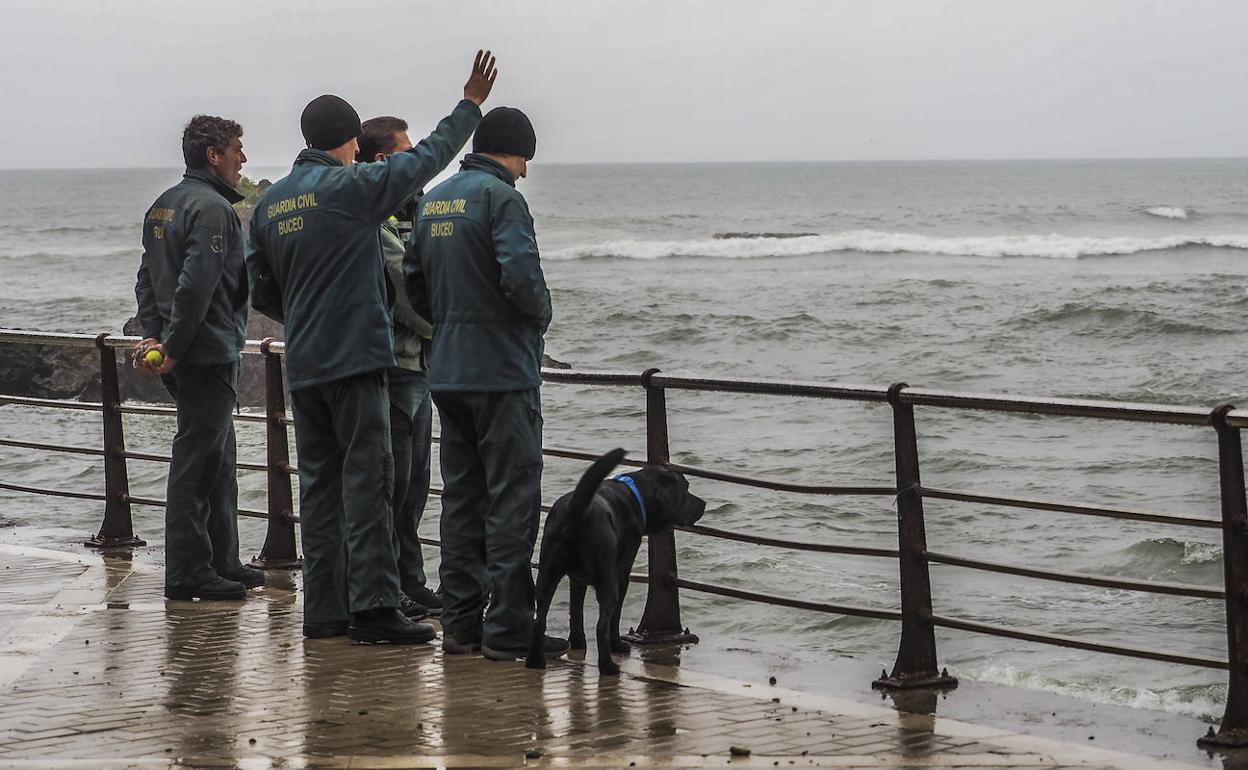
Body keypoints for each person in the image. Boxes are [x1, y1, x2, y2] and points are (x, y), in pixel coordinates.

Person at [245, 51, 496, 644]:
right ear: (351, 142)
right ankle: (376, 607)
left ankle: (324, 610)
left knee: (319, 486)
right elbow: (426, 159)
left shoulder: (271, 204)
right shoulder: (350, 188)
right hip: (356, 357)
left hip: (304, 361)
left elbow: (261, 289)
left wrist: (306, 314)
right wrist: (470, 106)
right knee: (369, 481)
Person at [404, 106, 566, 660]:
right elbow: (522, 278)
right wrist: (541, 317)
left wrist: (447, 326)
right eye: (525, 158)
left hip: (448, 372)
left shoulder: (434, 200)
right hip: (502, 373)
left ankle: (460, 627)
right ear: (516, 150)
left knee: (461, 501)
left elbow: (415, 285)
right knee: (512, 502)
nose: (525, 169)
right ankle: (507, 631)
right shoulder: (503, 199)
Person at [133, 115, 264, 601]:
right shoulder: (213, 210)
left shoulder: (162, 206)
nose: (242, 159)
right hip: (206, 353)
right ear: (213, 155)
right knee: (195, 461)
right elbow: (197, 287)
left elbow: (145, 280)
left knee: (220, 456)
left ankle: (222, 558)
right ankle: (188, 571)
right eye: (237, 149)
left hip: (184, 351)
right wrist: (173, 347)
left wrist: (154, 336)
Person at [357, 115, 441, 617]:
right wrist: (462, 328)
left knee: (415, 486)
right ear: (383, 160)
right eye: (406, 152)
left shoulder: (414, 211)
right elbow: (412, 297)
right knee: (396, 486)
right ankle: (395, 588)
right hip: (396, 369)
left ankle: (410, 581)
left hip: (419, 365)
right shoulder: (377, 223)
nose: (416, 163)